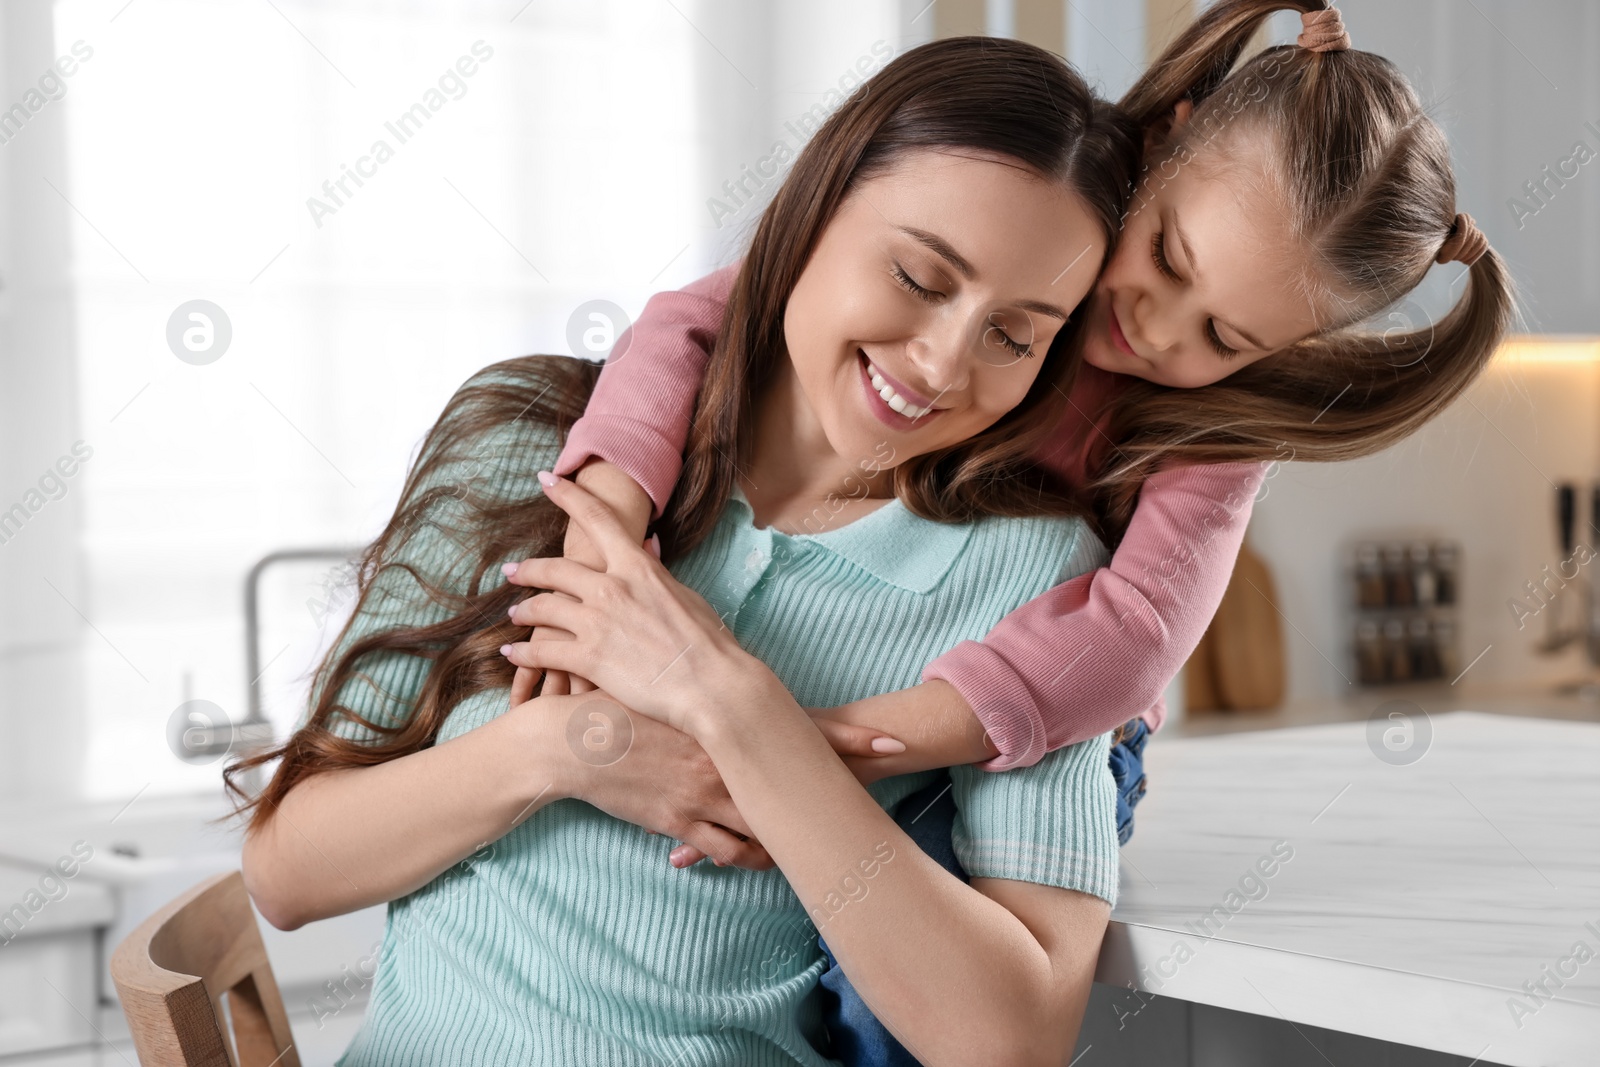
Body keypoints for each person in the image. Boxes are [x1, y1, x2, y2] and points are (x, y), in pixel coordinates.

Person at [506, 3, 1513, 1062]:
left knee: (898, 987)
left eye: (1225, 335)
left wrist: (835, 745)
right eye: (1166, 257)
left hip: (1040, 712)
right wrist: (608, 520)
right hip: (901, 646)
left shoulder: (1217, 435)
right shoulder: (1026, 229)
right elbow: (699, 320)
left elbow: (1131, 637)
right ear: (1163, 139)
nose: (1155, 330)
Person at [234, 34, 1143, 1065]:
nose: (942, 362)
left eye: (1014, 337)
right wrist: (563, 751)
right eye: (919, 275)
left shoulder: (1039, 579)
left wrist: (726, 697)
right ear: (812, 211)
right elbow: (285, 872)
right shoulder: (530, 440)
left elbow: (1011, 1038)